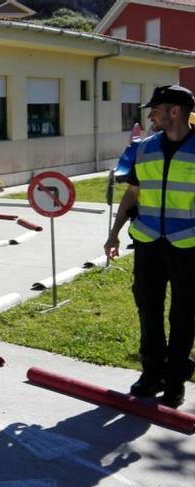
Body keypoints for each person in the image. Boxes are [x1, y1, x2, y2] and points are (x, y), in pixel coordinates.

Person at [104, 84, 195, 409]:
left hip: (188, 247)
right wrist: (114, 233)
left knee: (184, 315)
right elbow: (132, 194)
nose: (151, 115)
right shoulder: (143, 149)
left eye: (155, 109)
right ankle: (152, 374)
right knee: (149, 311)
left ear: (175, 112)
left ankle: (175, 381)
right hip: (146, 243)